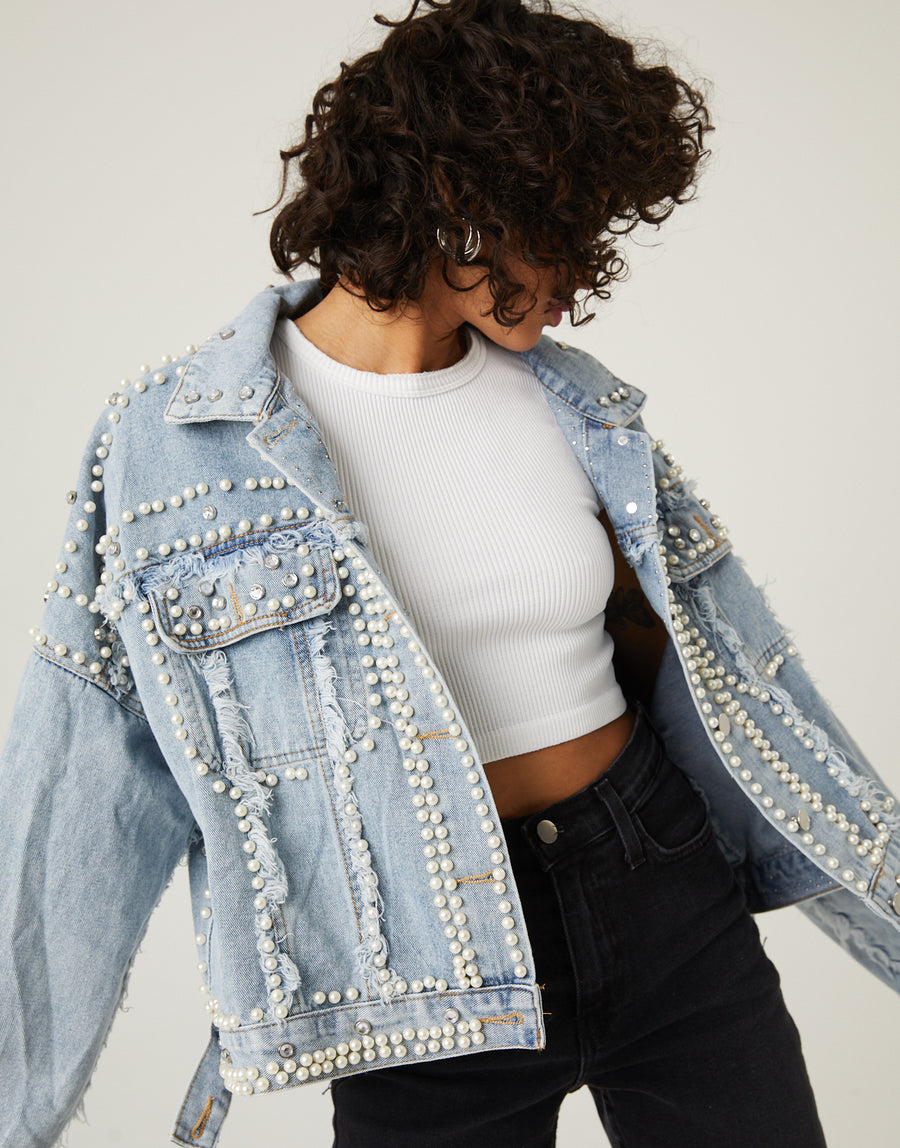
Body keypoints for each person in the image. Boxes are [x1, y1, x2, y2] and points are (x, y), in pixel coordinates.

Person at [1, 1, 898, 1146]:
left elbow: (727, 677)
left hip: (660, 884)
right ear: (459, 200)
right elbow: (78, 772)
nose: (585, 275)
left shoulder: (578, 405)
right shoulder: (174, 446)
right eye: (565, 226)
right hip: (419, 972)